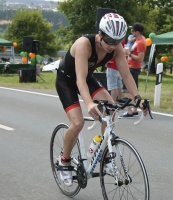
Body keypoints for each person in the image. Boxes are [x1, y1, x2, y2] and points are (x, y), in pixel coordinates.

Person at [55, 13, 148, 187]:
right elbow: (79, 80)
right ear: (100, 34)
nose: (113, 46)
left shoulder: (117, 47)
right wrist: (89, 103)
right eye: (110, 41)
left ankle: (105, 157)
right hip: (67, 80)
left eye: (117, 41)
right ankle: (64, 161)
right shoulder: (84, 44)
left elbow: (126, 75)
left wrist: (138, 99)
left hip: (87, 78)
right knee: (77, 124)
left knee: (111, 109)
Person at [119, 23, 147, 118]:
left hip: (133, 67)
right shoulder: (139, 39)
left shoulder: (140, 43)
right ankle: (135, 109)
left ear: (137, 32)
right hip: (132, 66)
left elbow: (140, 58)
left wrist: (128, 54)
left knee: (127, 89)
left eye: (133, 31)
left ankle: (129, 111)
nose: (131, 32)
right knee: (134, 88)